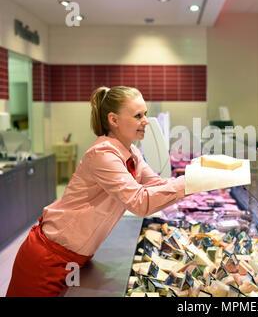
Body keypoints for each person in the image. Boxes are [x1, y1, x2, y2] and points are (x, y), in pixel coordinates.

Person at [7, 86, 188, 297]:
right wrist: (191, 182)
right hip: (47, 257)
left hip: (75, 258)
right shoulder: (103, 154)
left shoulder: (133, 153)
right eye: (138, 115)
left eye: (145, 114)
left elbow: (157, 186)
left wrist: (197, 177)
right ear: (114, 120)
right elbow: (140, 203)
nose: (145, 121)